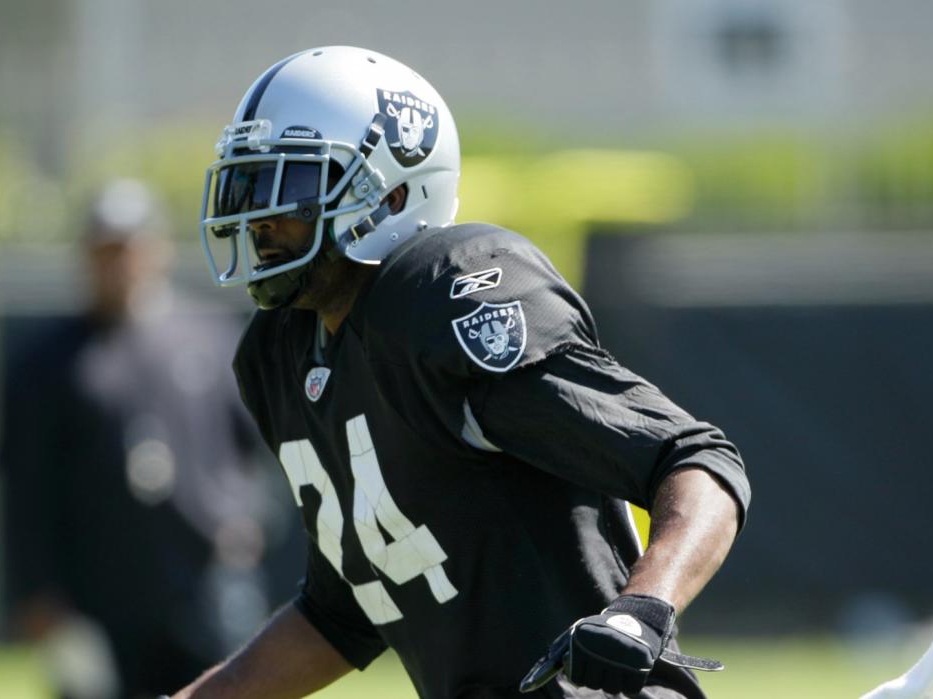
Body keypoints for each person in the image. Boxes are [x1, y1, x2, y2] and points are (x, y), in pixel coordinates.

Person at [173, 46, 750, 699]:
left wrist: (643, 608)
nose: (260, 219)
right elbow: (346, 608)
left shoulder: (440, 298)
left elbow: (693, 458)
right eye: (250, 185)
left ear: (390, 192)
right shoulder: (280, 354)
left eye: (293, 188)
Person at [0, 180, 286, 699]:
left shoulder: (212, 336)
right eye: (105, 250)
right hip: (99, 599)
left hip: (207, 584)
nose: (118, 263)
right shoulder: (47, 364)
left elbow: (262, 448)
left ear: (154, 250)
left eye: (128, 247)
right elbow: (23, 486)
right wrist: (38, 594)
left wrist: (249, 521)